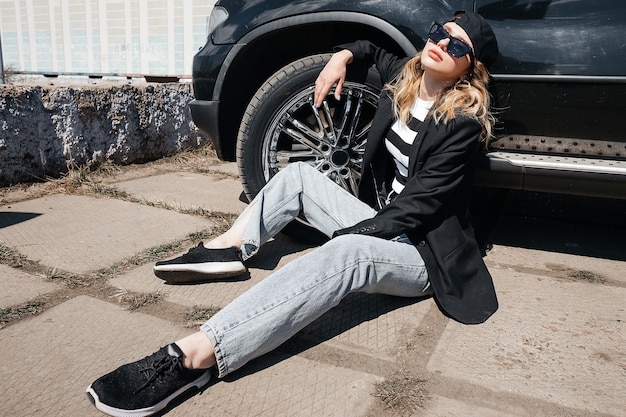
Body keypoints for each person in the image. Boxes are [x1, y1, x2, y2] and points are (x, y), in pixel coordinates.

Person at [86, 11, 499, 417]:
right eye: (440, 33)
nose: (443, 43)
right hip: (386, 218)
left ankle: (197, 356)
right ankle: (229, 248)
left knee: (347, 254)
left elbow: (419, 205)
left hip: (422, 251)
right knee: (299, 175)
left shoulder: (460, 122)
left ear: (469, 68)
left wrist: (350, 235)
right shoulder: (407, 77)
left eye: (458, 44)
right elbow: (369, 48)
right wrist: (340, 59)